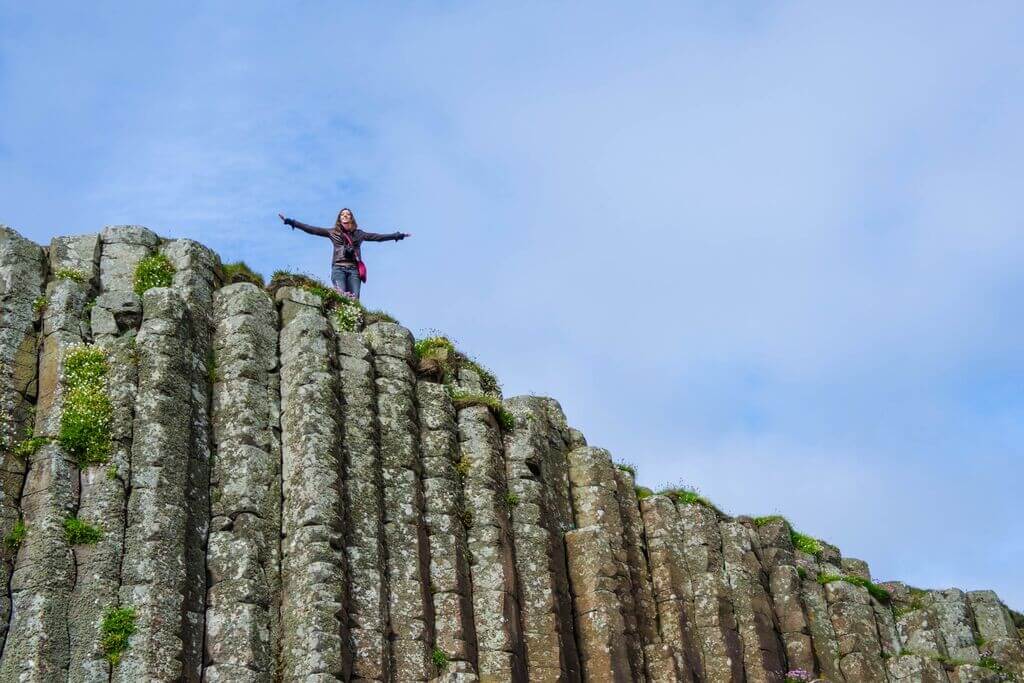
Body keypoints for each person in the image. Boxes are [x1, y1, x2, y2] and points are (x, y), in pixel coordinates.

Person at [278, 208, 411, 299]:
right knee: (341, 297)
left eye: (348, 214)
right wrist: (292, 222)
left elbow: (378, 237)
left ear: (351, 218)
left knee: (354, 299)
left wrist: (397, 235)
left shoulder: (360, 234)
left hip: (354, 270)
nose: (345, 215)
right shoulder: (332, 232)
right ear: (339, 219)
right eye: (342, 214)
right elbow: (312, 229)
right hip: (338, 268)